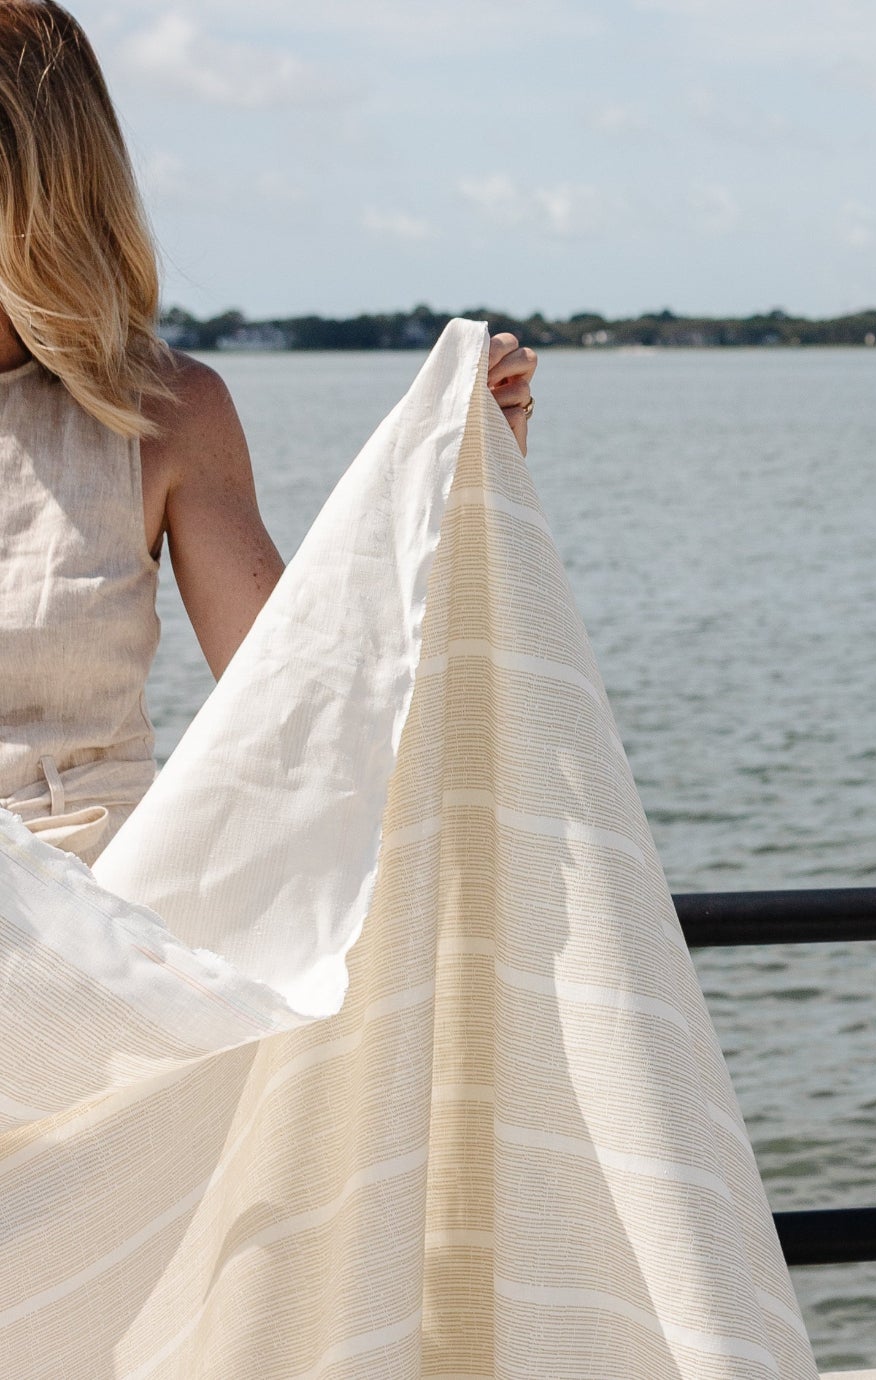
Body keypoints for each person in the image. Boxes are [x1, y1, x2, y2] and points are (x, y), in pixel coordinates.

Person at [0, 0, 538, 864]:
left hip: (84, 924)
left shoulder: (164, 411)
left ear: (33, 187)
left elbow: (308, 711)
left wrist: (464, 485)